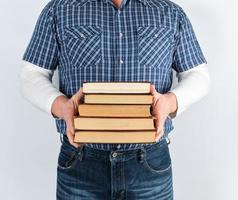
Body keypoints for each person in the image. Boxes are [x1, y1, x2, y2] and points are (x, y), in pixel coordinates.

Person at [19, 0, 210, 199]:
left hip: (149, 164)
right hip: (81, 162)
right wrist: (62, 107)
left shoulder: (170, 13)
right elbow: (31, 74)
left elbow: (198, 74)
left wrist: (170, 102)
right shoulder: (59, 10)